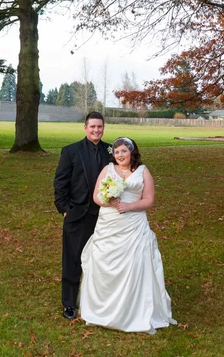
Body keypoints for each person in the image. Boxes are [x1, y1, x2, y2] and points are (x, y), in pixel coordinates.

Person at [79, 137, 176, 334]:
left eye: (123, 151)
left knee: (135, 263)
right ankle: (102, 308)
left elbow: (148, 200)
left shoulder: (143, 171)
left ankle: (133, 310)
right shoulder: (108, 170)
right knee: (103, 261)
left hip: (134, 225)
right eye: (116, 153)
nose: (120, 156)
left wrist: (129, 206)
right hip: (109, 224)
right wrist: (111, 203)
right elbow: (97, 196)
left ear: (132, 152)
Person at [54, 111, 111, 320]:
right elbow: (60, 183)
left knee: (102, 259)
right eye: (92, 126)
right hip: (78, 214)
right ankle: (69, 303)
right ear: (85, 128)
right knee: (73, 259)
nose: (96, 130)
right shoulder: (70, 151)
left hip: (106, 216)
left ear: (104, 128)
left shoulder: (112, 151)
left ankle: (98, 301)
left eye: (100, 126)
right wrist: (65, 208)